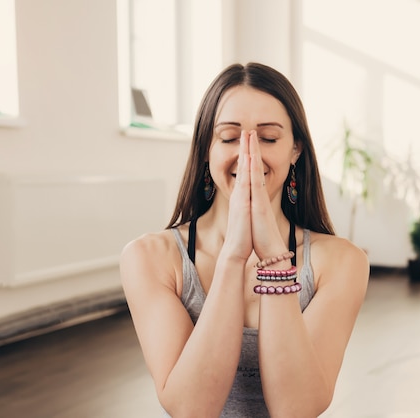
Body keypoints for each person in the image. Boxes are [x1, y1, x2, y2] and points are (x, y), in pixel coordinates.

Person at [120, 62, 369, 417]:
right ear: (206, 148)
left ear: (295, 150)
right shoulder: (149, 257)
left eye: (267, 138)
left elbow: (296, 409)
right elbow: (191, 409)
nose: (248, 153)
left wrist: (275, 258)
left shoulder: (343, 262)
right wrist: (233, 257)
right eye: (228, 137)